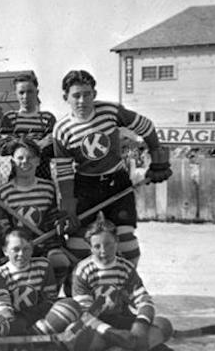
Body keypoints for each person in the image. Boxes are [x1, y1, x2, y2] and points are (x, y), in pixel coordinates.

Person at [52, 69, 172, 265]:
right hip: (85, 186)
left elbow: (146, 126)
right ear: (66, 97)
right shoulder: (62, 128)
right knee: (77, 245)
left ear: (94, 94)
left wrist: (157, 158)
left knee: (126, 242)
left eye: (87, 94)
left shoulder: (110, 111)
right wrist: (68, 207)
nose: (82, 100)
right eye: (76, 95)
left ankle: (127, 284)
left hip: (116, 181)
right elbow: (64, 170)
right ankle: (80, 288)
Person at [65, 215, 174, 351]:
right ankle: (135, 349)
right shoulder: (83, 270)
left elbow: (143, 300)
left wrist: (140, 327)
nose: (104, 251)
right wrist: (111, 333)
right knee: (76, 339)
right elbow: (85, 313)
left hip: (119, 319)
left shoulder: (125, 268)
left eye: (109, 244)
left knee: (164, 324)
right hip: (97, 325)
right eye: (97, 246)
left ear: (117, 242)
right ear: (90, 247)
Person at [0, 138, 74, 282]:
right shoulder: (2, 193)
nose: (25, 162)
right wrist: (21, 244)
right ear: (12, 161)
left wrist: (58, 225)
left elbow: (52, 219)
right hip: (18, 247)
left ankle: (51, 296)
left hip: (44, 244)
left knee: (61, 262)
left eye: (30, 158)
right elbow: (3, 228)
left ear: (38, 161)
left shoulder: (48, 188)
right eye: (20, 158)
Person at [0, 73, 56, 179]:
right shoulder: (10, 118)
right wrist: (35, 146)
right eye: (21, 92)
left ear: (37, 92)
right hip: (17, 173)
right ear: (16, 94)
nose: (25, 96)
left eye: (30, 92)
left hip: (42, 174)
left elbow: (50, 143)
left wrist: (21, 144)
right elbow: (5, 146)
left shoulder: (47, 117)